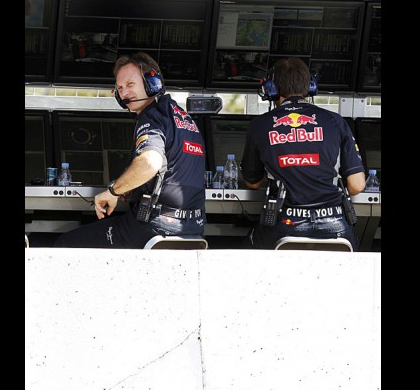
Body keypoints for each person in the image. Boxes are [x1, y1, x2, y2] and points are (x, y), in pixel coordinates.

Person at [53, 52, 207, 248]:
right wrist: (129, 186)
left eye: (130, 84)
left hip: (152, 229)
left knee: (64, 244)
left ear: (153, 82)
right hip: (192, 229)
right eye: (120, 88)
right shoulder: (185, 119)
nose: (125, 93)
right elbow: (169, 171)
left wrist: (113, 192)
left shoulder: (151, 117)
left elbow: (150, 163)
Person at [239, 57, 366, 250]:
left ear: (271, 88)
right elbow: (357, 185)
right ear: (311, 86)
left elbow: (252, 182)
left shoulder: (260, 125)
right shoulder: (336, 121)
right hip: (335, 227)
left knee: (244, 249)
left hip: (286, 225)